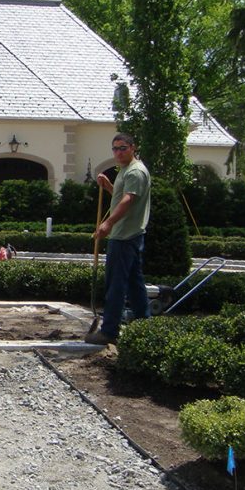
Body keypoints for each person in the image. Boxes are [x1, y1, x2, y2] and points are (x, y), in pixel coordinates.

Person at [85, 132, 151, 344]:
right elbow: (123, 196)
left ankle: (110, 331)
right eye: (115, 149)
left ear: (133, 147)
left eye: (123, 148)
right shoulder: (126, 171)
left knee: (116, 284)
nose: (118, 152)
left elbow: (128, 201)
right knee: (134, 283)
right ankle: (144, 325)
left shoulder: (135, 172)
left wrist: (108, 223)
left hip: (123, 236)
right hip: (129, 234)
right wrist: (109, 188)